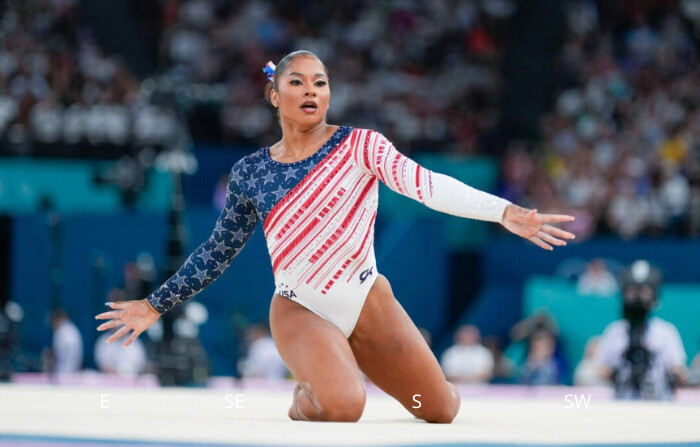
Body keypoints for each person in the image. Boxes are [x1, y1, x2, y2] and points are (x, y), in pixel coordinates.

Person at [96, 50, 575, 423]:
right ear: (274, 95)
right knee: (345, 407)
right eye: (297, 82)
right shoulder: (252, 174)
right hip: (301, 309)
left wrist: (503, 211)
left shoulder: (361, 146)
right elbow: (216, 253)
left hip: (369, 301)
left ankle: (343, 366)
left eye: (320, 83)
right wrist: (154, 304)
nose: (311, 91)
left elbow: (426, 186)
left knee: (439, 409)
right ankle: (307, 396)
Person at [596, 260, 687, 400]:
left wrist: (671, 375)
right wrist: (617, 371)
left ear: (654, 296)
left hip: (659, 403)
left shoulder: (666, 332)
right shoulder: (615, 331)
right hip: (622, 403)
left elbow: (678, 368)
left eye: (644, 292)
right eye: (632, 291)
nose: (637, 298)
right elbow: (602, 368)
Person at [50, 308, 83, 374]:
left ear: (58, 319)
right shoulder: (73, 329)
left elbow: (57, 355)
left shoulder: (61, 332)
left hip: (63, 373)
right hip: (74, 372)